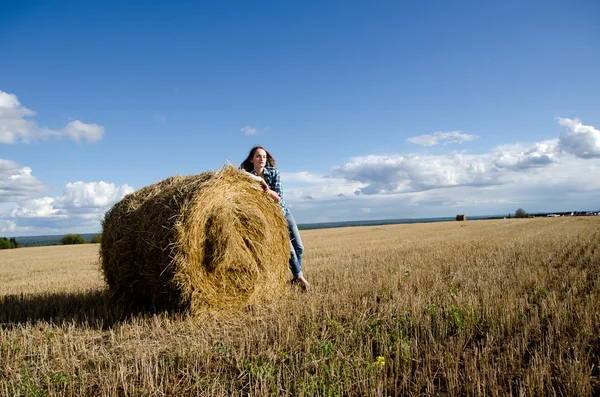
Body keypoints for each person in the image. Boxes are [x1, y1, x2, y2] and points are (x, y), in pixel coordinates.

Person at [240, 146, 311, 290]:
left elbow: (278, 198)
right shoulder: (249, 177)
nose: (262, 159)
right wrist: (258, 179)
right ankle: (300, 277)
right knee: (289, 250)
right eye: (258, 156)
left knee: (299, 247)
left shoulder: (274, 172)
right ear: (251, 159)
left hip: (284, 212)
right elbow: (238, 174)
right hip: (270, 218)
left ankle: (296, 276)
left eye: (264, 157)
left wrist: (265, 187)